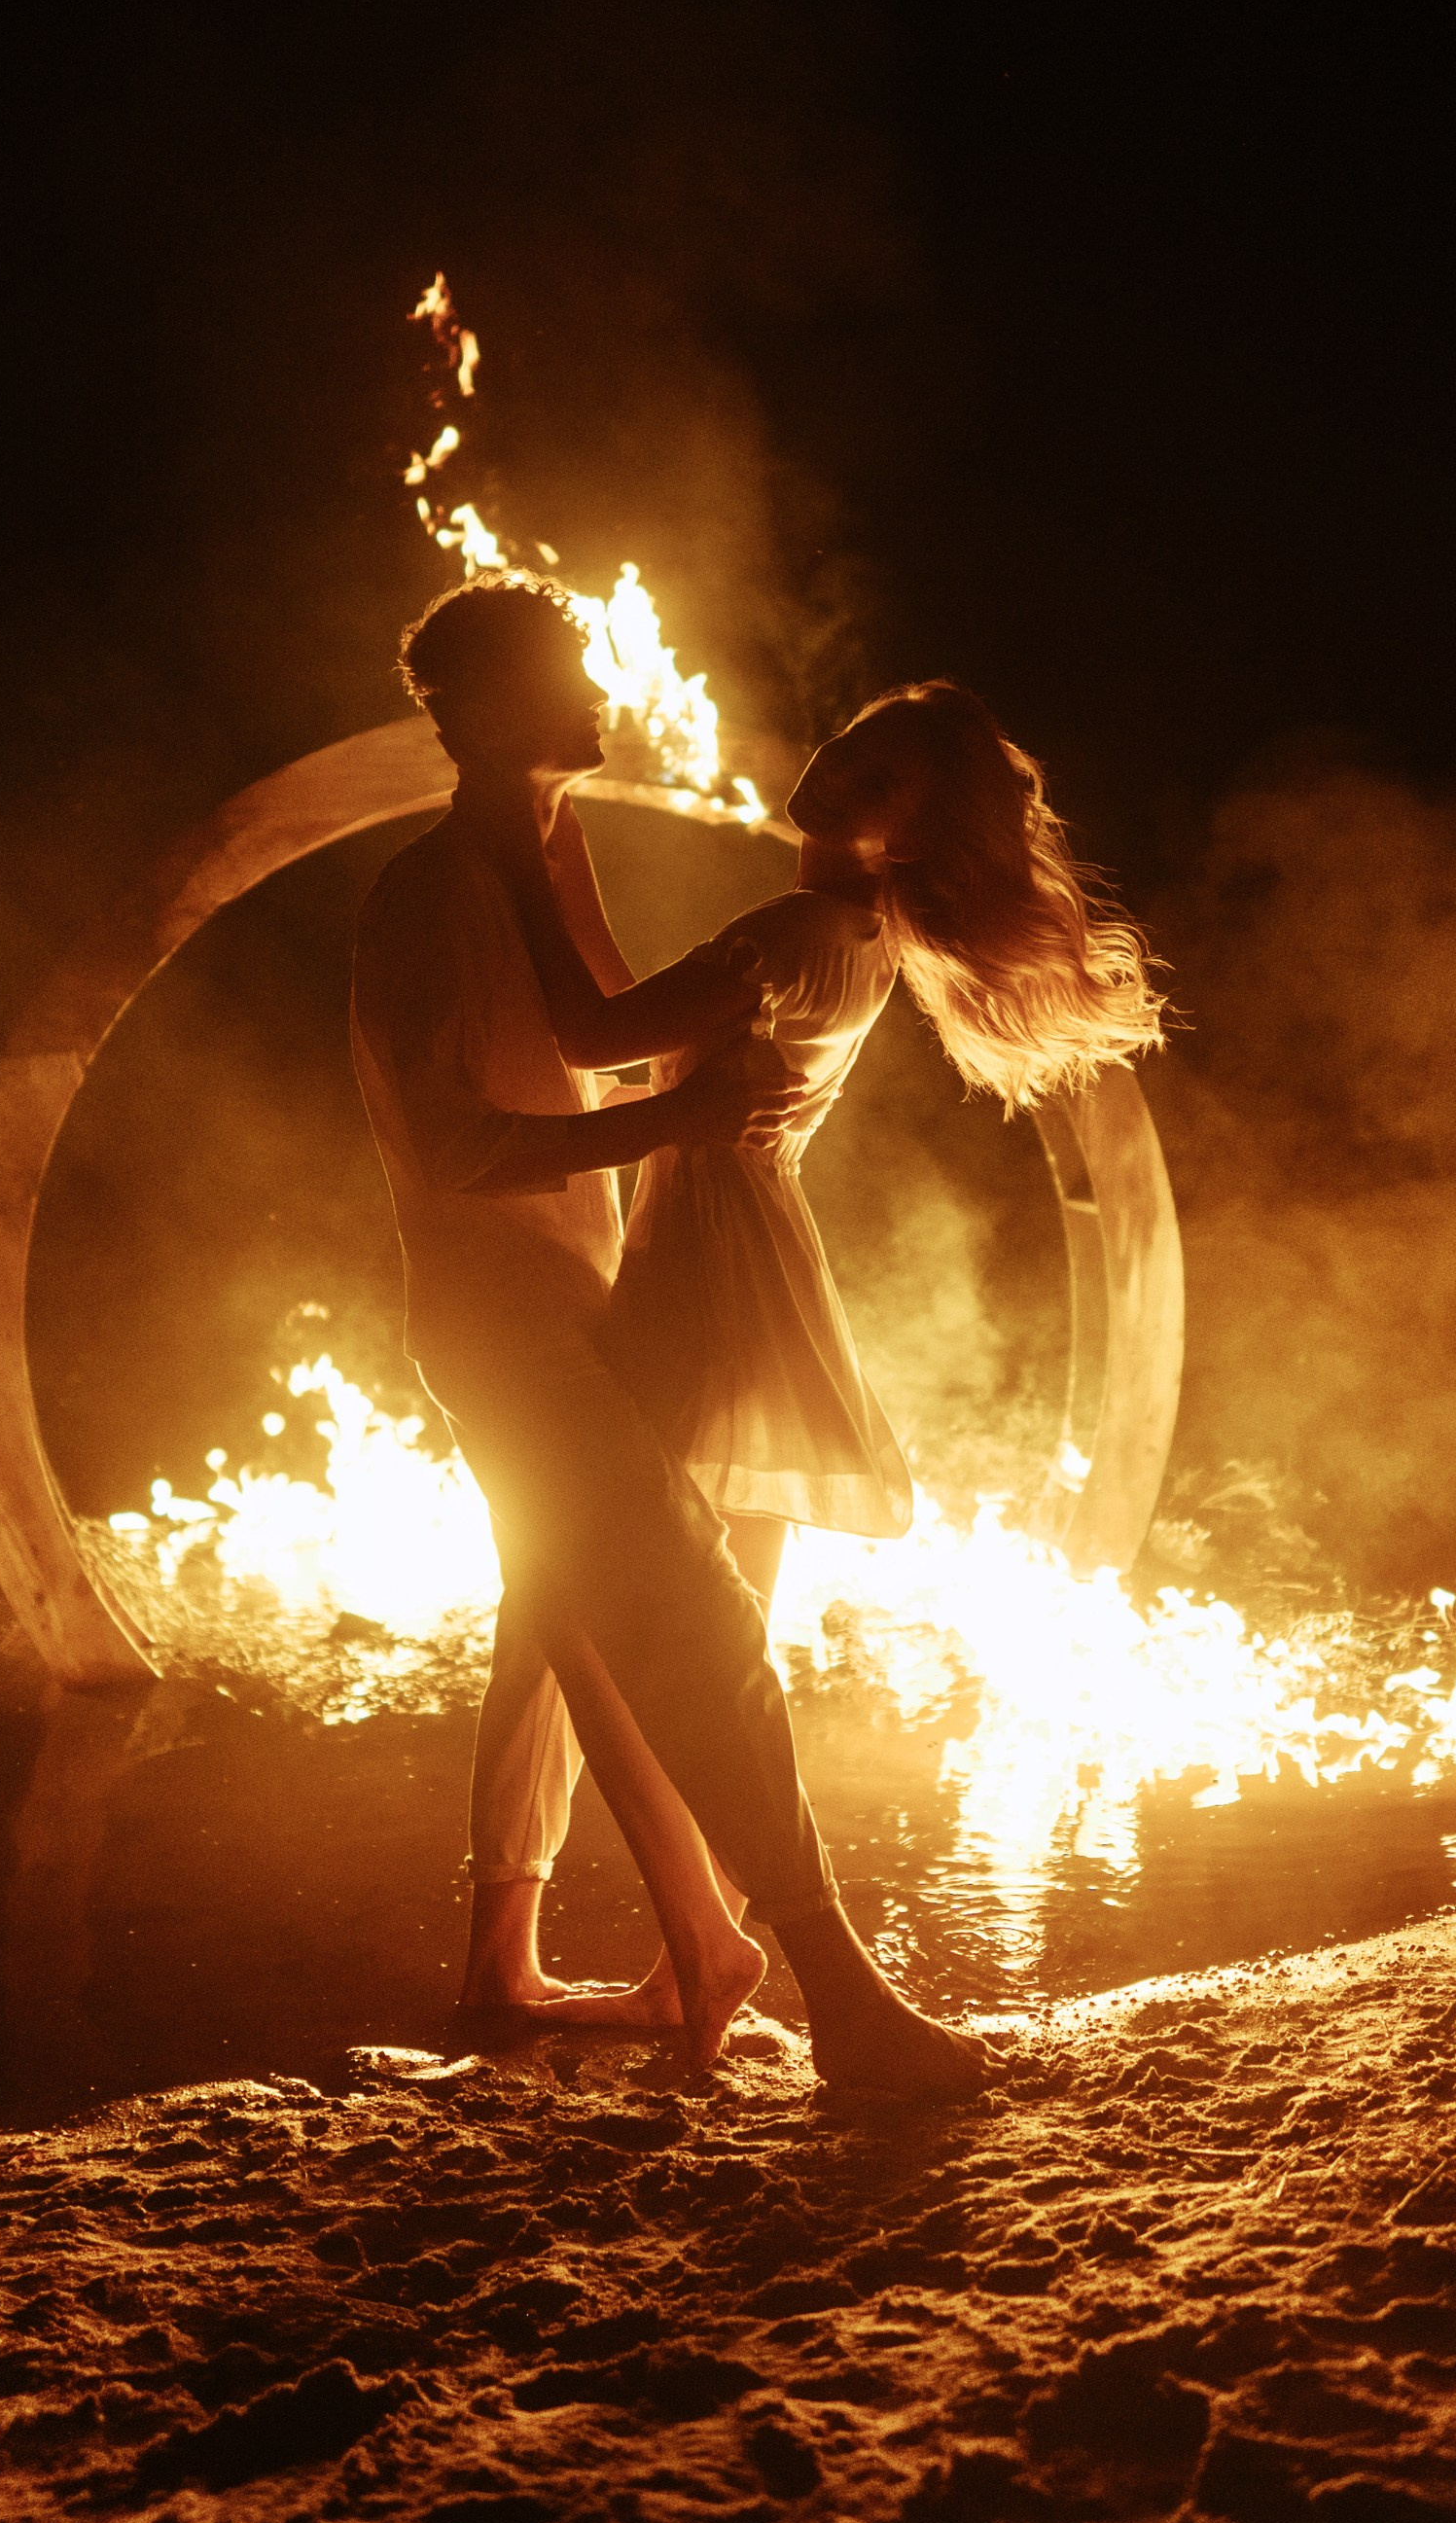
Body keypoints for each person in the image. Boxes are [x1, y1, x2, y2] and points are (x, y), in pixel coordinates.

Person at [349, 573, 986, 2096]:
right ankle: (825, 1984)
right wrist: (690, 1113)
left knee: (562, 1613)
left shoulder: (546, 856)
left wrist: (698, 1132)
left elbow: (603, 1037)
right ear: (494, 710)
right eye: (573, 668)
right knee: (686, 1618)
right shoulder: (434, 895)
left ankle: (515, 1964)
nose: (607, 686)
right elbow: (453, 1148)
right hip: (500, 1319)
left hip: (585, 1288)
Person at [456, 669, 1165, 1993]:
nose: (838, 771)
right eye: (853, 743)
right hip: (725, 1256)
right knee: (681, 1618)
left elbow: (587, 1030)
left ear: (914, 833)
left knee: (587, 1596)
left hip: (710, 1278)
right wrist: (558, 857)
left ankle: (619, 1954)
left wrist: (516, 855)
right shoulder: (840, 937)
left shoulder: (803, 933)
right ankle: (648, 1958)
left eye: (881, 778)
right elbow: (638, 1026)